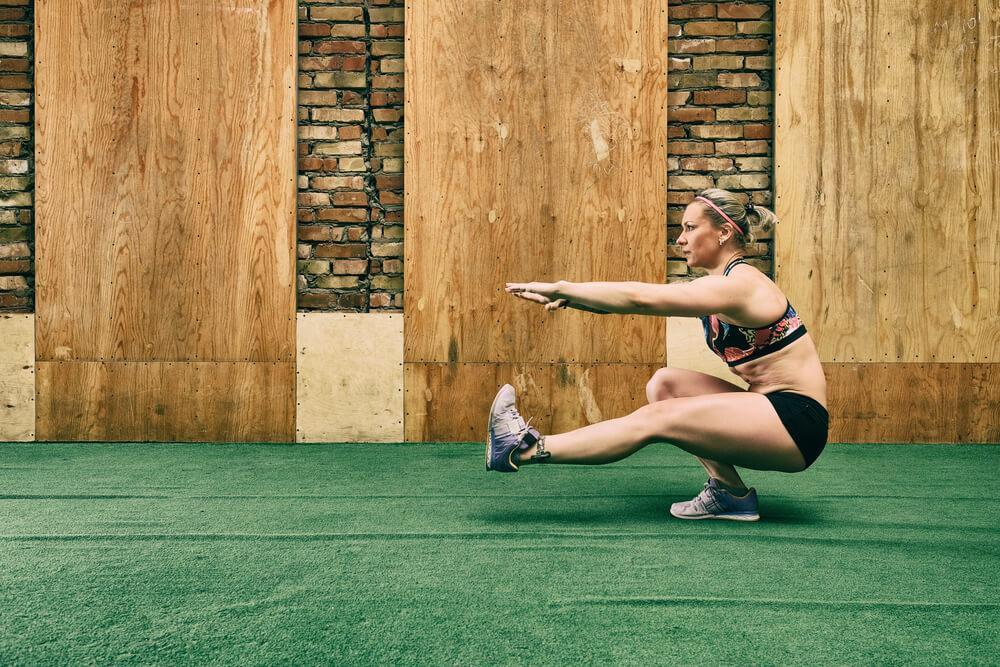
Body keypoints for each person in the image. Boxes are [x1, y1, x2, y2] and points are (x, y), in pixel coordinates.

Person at [485, 188, 829, 522]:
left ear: (724, 232)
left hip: (797, 422)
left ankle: (524, 447)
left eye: (690, 228)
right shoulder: (717, 286)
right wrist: (575, 300)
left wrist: (563, 287)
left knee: (658, 418)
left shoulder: (740, 285)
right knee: (666, 384)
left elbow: (641, 299)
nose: (680, 239)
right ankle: (731, 495)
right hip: (770, 409)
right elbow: (635, 303)